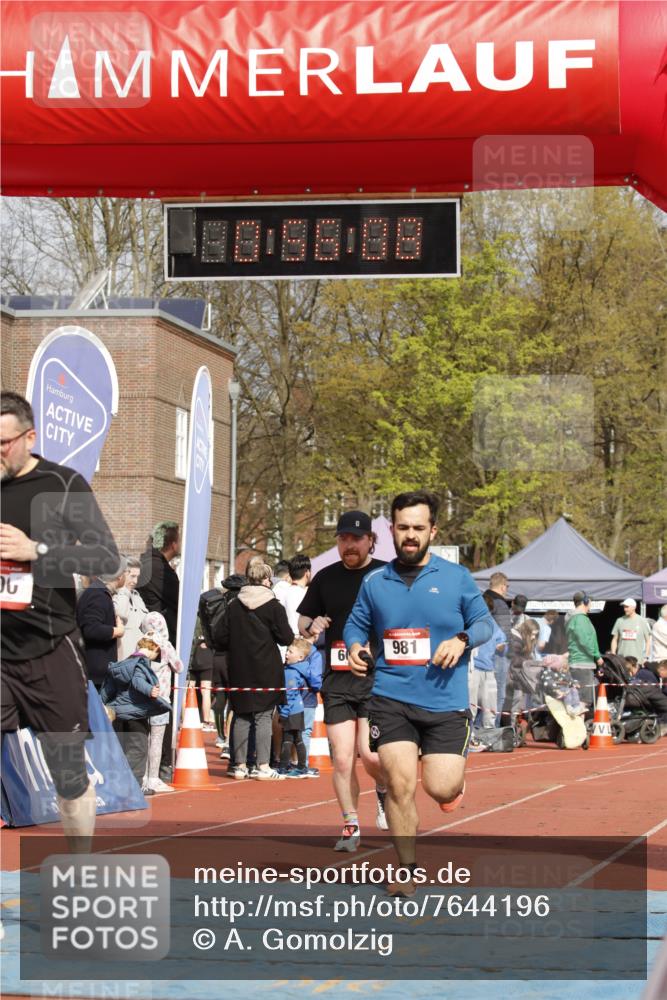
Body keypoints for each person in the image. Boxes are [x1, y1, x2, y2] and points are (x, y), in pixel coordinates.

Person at [345, 490, 493, 892]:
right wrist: (356, 647)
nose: (410, 535)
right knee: (399, 784)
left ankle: (452, 785)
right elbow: (356, 624)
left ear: (432, 531)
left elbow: (484, 624)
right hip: (391, 697)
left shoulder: (456, 577)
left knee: (439, 786)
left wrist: (462, 639)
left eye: (418, 528)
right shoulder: (375, 581)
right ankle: (407, 871)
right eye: (403, 527)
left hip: (445, 701)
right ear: (392, 530)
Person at [0, 390, 120, 852]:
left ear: (29, 437)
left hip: (48, 647)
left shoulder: (61, 484)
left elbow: (107, 558)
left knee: (67, 772)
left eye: (4, 443)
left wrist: (37, 550)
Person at [297, 510, 388, 846]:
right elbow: (303, 620)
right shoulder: (325, 577)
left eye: (356, 538)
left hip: (376, 679)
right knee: (343, 759)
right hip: (337, 679)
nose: (349, 545)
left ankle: (382, 788)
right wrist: (311, 625)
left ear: (370, 541)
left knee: (372, 756)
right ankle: (350, 824)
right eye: (343, 538)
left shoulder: (385, 575)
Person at [214, 558, 294, 779]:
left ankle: (239, 765)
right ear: (267, 580)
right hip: (267, 667)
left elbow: (220, 637)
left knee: (241, 715)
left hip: (239, 667)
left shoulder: (234, 605)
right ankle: (263, 765)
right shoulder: (274, 606)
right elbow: (286, 637)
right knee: (263, 716)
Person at [101, 637, 171, 792]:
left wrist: (101, 703)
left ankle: (116, 785)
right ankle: (134, 787)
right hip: (136, 714)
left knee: (120, 750)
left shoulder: (123, 664)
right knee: (138, 750)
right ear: (154, 649)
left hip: (119, 714)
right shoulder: (140, 663)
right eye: (157, 654)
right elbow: (137, 680)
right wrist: (150, 690)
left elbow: (108, 688)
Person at [140, 611, 184, 793]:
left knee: (143, 738)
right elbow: (179, 667)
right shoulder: (165, 644)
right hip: (161, 698)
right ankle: (153, 778)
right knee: (156, 740)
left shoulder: (141, 642)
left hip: (143, 697)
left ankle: (141, 777)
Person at [76, 560, 128, 688]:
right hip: (94, 676)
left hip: (94, 673)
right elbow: (91, 629)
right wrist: (118, 631)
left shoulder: (98, 592)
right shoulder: (98, 595)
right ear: (119, 576)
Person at [277, 637, 322, 777]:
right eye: (287, 651)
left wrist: (284, 713)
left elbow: (290, 695)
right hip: (298, 709)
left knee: (289, 739)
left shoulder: (291, 672)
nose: (286, 654)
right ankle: (301, 766)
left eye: (290, 652)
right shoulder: (299, 669)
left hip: (292, 710)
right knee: (298, 739)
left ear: (300, 657)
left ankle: (284, 767)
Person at [138, 521, 180, 644]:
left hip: (148, 633)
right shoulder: (159, 569)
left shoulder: (146, 563)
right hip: (159, 639)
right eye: (179, 541)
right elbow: (180, 601)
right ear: (173, 545)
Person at [469, 594, 506, 730]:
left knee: (490, 706)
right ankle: (469, 733)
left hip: (488, 670)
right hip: (472, 668)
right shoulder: (470, 621)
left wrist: (502, 646)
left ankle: (489, 733)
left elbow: (502, 642)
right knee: (471, 705)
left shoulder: (492, 623)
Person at [482, 571, 512, 725]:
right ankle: (493, 730)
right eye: (507, 586)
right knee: (499, 694)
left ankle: (480, 728)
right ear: (502, 586)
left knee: (482, 694)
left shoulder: (482, 600)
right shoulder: (500, 604)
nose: (507, 589)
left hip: (481, 654)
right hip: (497, 655)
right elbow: (505, 634)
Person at [566, 592, 603, 707]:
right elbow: (585, 641)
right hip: (582, 664)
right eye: (590, 602)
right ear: (585, 602)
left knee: (577, 699)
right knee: (584, 700)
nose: (590, 605)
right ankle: (577, 719)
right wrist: (597, 656)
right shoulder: (580, 619)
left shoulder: (575, 618)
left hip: (578, 663)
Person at [113, 555, 149, 659]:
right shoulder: (114, 595)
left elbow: (147, 624)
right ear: (122, 574)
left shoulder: (136, 596)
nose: (136, 581)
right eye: (132, 576)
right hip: (124, 659)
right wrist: (124, 590)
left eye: (137, 577)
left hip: (142, 658)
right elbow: (120, 613)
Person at [611, 598, 652, 663]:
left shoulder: (642, 621)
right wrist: (613, 654)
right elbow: (614, 639)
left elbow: (648, 641)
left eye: (627, 607)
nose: (625, 609)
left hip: (637, 661)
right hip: (622, 660)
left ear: (634, 607)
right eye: (624, 607)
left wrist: (646, 656)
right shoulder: (619, 621)